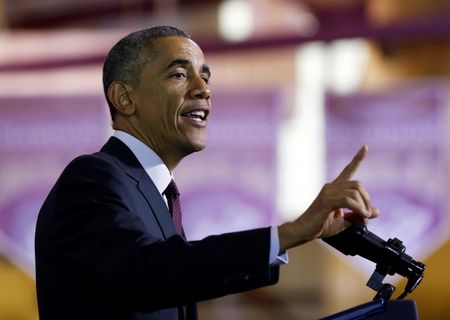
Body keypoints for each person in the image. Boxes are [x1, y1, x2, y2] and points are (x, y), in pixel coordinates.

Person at [35, 25, 379, 320]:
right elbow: (150, 272)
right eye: (180, 74)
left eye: (205, 75)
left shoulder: (157, 196)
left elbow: (175, 276)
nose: (204, 89)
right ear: (124, 98)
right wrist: (289, 233)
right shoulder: (93, 177)